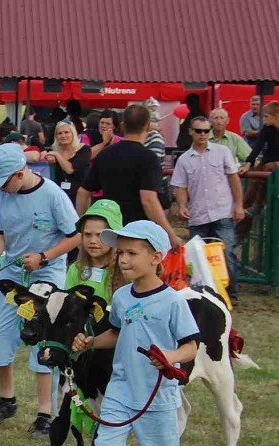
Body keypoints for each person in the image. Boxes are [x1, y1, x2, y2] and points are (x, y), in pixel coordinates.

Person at [63, 221, 199, 446]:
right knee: (107, 445)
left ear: (156, 257)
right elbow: (116, 332)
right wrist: (91, 342)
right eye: (120, 253)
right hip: (121, 387)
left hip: (156, 392)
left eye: (132, 253)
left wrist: (169, 356)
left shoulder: (173, 302)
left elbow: (191, 346)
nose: (123, 260)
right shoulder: (122, 297)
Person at [0, 143, 81, 438]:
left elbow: (76, 237)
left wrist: (44, 257)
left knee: (43, 342)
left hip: (47, 274)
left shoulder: (54, 196)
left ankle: (45, 414)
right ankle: (7, 400)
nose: (0, 189)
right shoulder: (2, 194)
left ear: (20, 174)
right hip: (12, 273)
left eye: (3, 182)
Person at [78, 104, 182, 252]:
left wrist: (85, 227)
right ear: (148, 127)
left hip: (111, 231)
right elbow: (149, 200)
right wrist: (170, 235)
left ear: (122, 125)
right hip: (138, 233)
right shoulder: (149, 158)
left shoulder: (106, 154)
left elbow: (83, 192)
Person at [171, 116, 245, 302]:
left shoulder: (222, 151)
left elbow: (233, 178)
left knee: (227, 254)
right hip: (198, 214)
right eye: (199, 131)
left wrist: (238, 205)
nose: (203, 134)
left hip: (222, 211)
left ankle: (231, 293)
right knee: (198, 258)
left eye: (206, 131)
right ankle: (203, 292)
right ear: (191, 132)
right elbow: (180, 186)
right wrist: (182, 205)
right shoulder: (184, 159)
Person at [65, 199, 126, 298]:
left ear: (115, 236)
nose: (93, 241)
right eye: (88, 234)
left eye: (100, 235)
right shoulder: (75, 269)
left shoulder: (126, 270)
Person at [238, 101, 279, 228]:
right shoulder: (267, 129)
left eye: (266, 117)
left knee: (267, 169)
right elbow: (257, 146)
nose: (264, 120)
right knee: (255, 176)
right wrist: (248, 164)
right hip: (268, 161)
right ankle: (244, 210)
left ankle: (259, 204)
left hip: (273, 165)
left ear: (276, 116)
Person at [44, 121, 91, 206]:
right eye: (59, 133)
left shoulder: (84, 149)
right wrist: (46, 157)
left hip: (79, 195)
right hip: (59, 195)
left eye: (66, 132)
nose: (63, 136)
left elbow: (70, 169)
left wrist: (57, 155)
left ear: (73, 133)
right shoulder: (53, 151)